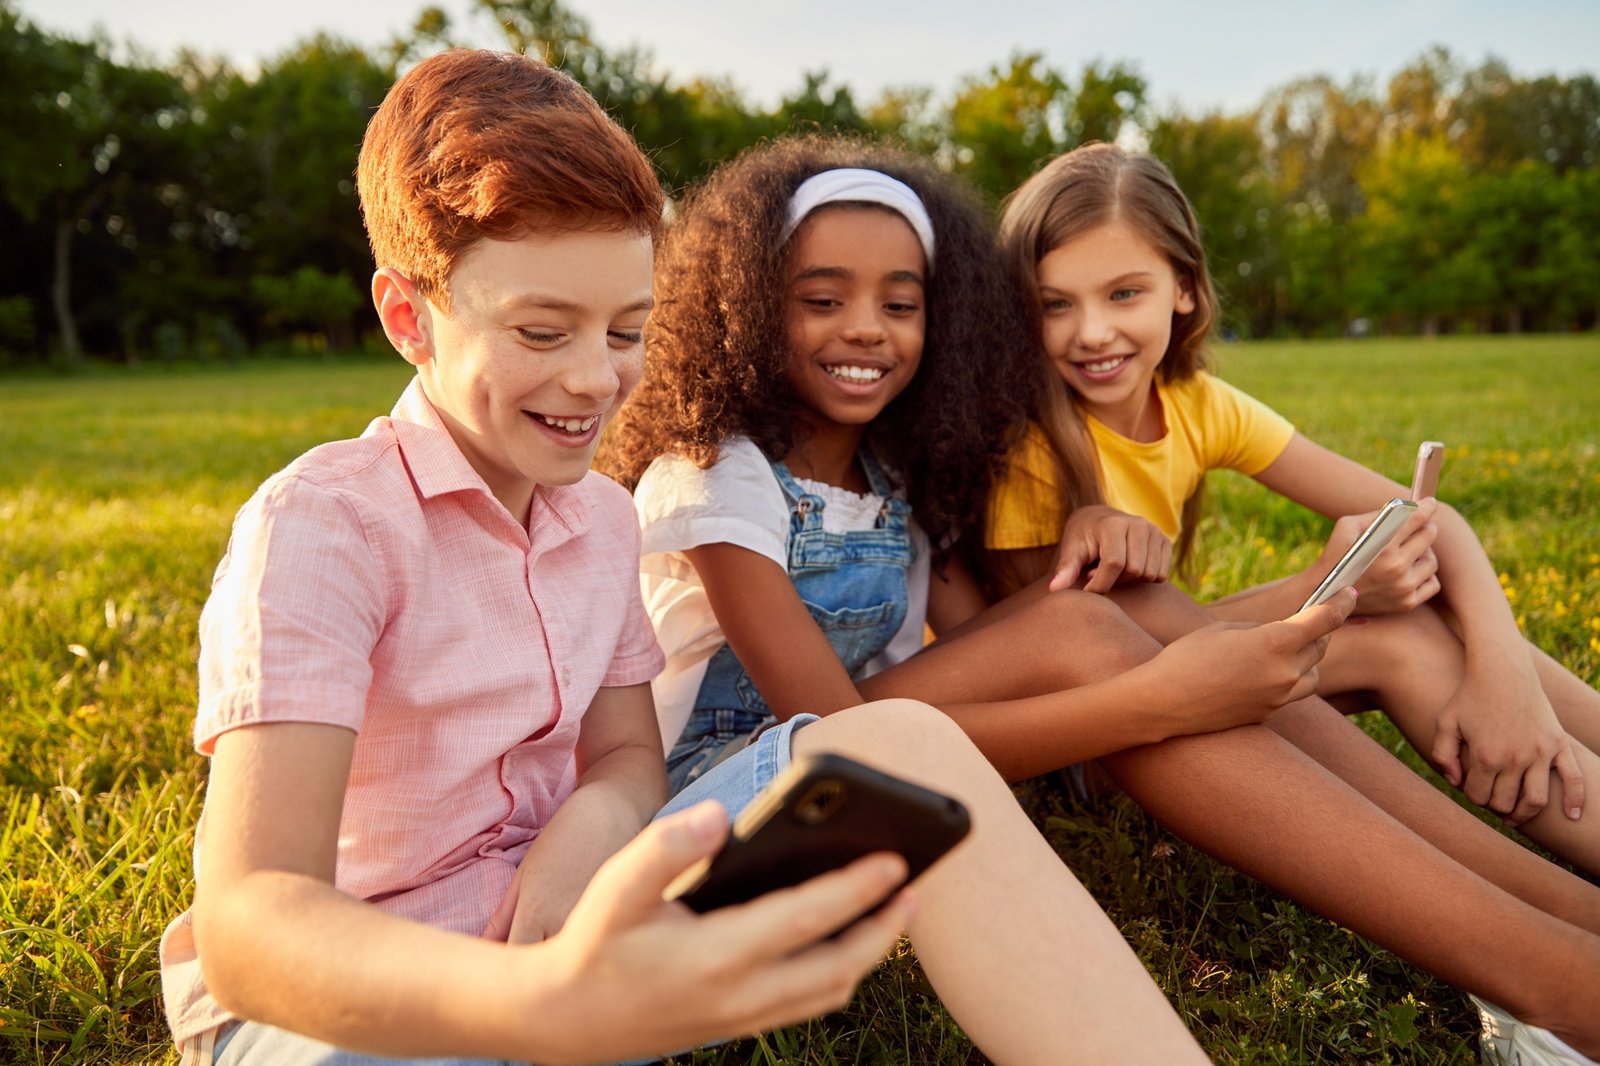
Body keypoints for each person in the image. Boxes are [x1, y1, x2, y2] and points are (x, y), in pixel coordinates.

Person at [157, 50, 1210, 1066]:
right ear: (408, 318)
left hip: (583, 934)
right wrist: (534, 1005)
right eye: (540, 332)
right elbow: (254, 928)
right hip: (354, 1015)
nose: (590, 381)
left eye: (626, 333)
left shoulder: (598, 522)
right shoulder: (323, 522)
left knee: (900, 744)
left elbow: (625, 757)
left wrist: (590, 827)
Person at [601, 132, 1600, 1061]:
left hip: (869, 776)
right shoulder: (713, 479)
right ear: (744, 307)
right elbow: (844, 733)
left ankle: (1561, 936)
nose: (865, 327)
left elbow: (1010, 635)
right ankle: (1557, 976)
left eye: (900, 305)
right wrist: (1159, 699)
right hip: (724, 835)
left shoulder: (891, 482)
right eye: (821, 300)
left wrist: (1093, 550)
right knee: (1113, 646)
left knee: (1101, 610)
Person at [986, 142, 1600, 880]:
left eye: (1124, 294)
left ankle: (1539, 741)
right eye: (1056, 303)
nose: (1091, 331)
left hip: (1171, 675)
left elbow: (1425, 516)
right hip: (1086, 744)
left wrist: (1511, 685)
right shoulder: (1027, 447)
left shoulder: (1192, 404)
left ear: (1182, 287)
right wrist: (1329, 586)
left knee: (1430, 622)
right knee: (1393, 636)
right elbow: (1086, 660)